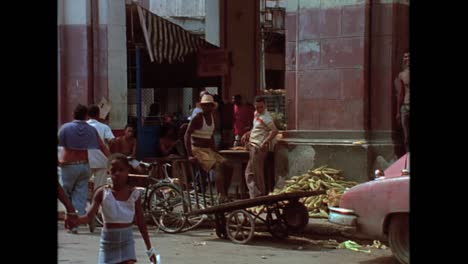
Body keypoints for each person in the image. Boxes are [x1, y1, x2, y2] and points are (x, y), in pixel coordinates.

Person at [74, 154, 158, 264]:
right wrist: (76, 219)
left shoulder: (134, 194)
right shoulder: (102, 193)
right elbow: (89, 217)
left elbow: (141, 223)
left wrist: (150, 249)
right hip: (108, 244)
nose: (117, 174)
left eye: (121, 170)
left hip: (127, 243)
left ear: (128, 171)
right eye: (114, 171)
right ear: (109, 172)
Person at [58, 104, 110, 233]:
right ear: (86, 115)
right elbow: (103, 147)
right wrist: (112, 160)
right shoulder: (91, 130)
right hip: (84, 165)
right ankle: (75, 224)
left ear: (73, 114)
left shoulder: (65, 128)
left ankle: (70, 221)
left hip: (68, 165)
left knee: (65, 195)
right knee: (79, 196)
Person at [184, 94, 233, 203]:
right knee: (218, 167)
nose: (207, 108)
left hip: (209, 150)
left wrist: (215, 151)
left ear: (212, 106)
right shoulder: (197, 118)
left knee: (229, 165)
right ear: (202, 106)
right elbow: (187, 135)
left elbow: (210, 136)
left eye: (209, 105)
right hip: (198, 149)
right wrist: (190, 155)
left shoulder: (213, 117)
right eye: (205, 105)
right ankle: (221, 196)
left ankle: (225, 192)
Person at [241, 96, 278, 198]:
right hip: (252, 146)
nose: (259, 109)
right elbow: (257, 129)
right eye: (257, 107)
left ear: (265, 105)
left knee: (256, 174)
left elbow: (274, 131)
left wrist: (265, 142)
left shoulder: (267, 117)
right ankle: (255, 194)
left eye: (261, 107)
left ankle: (259, 196)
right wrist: (248, 133)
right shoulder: (256, 114)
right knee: (249, 173)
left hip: (258, 147)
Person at [87, 104, 115, 190]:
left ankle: (87, 201)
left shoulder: (83, 126)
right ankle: (97, 201)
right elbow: (112, 141)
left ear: (88, 114)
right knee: (100, 187)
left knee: (84, 185)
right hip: (101, 159)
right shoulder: (104, 127)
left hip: (86, 159)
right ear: (98, 114)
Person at [395, 52, 410, 152]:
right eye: (405, 56)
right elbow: (400, 94)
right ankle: (407, 160)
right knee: (407, 137)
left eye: (409, 56)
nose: (407, 58)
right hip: (405, 107)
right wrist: (397, 112)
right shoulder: (402, 75)